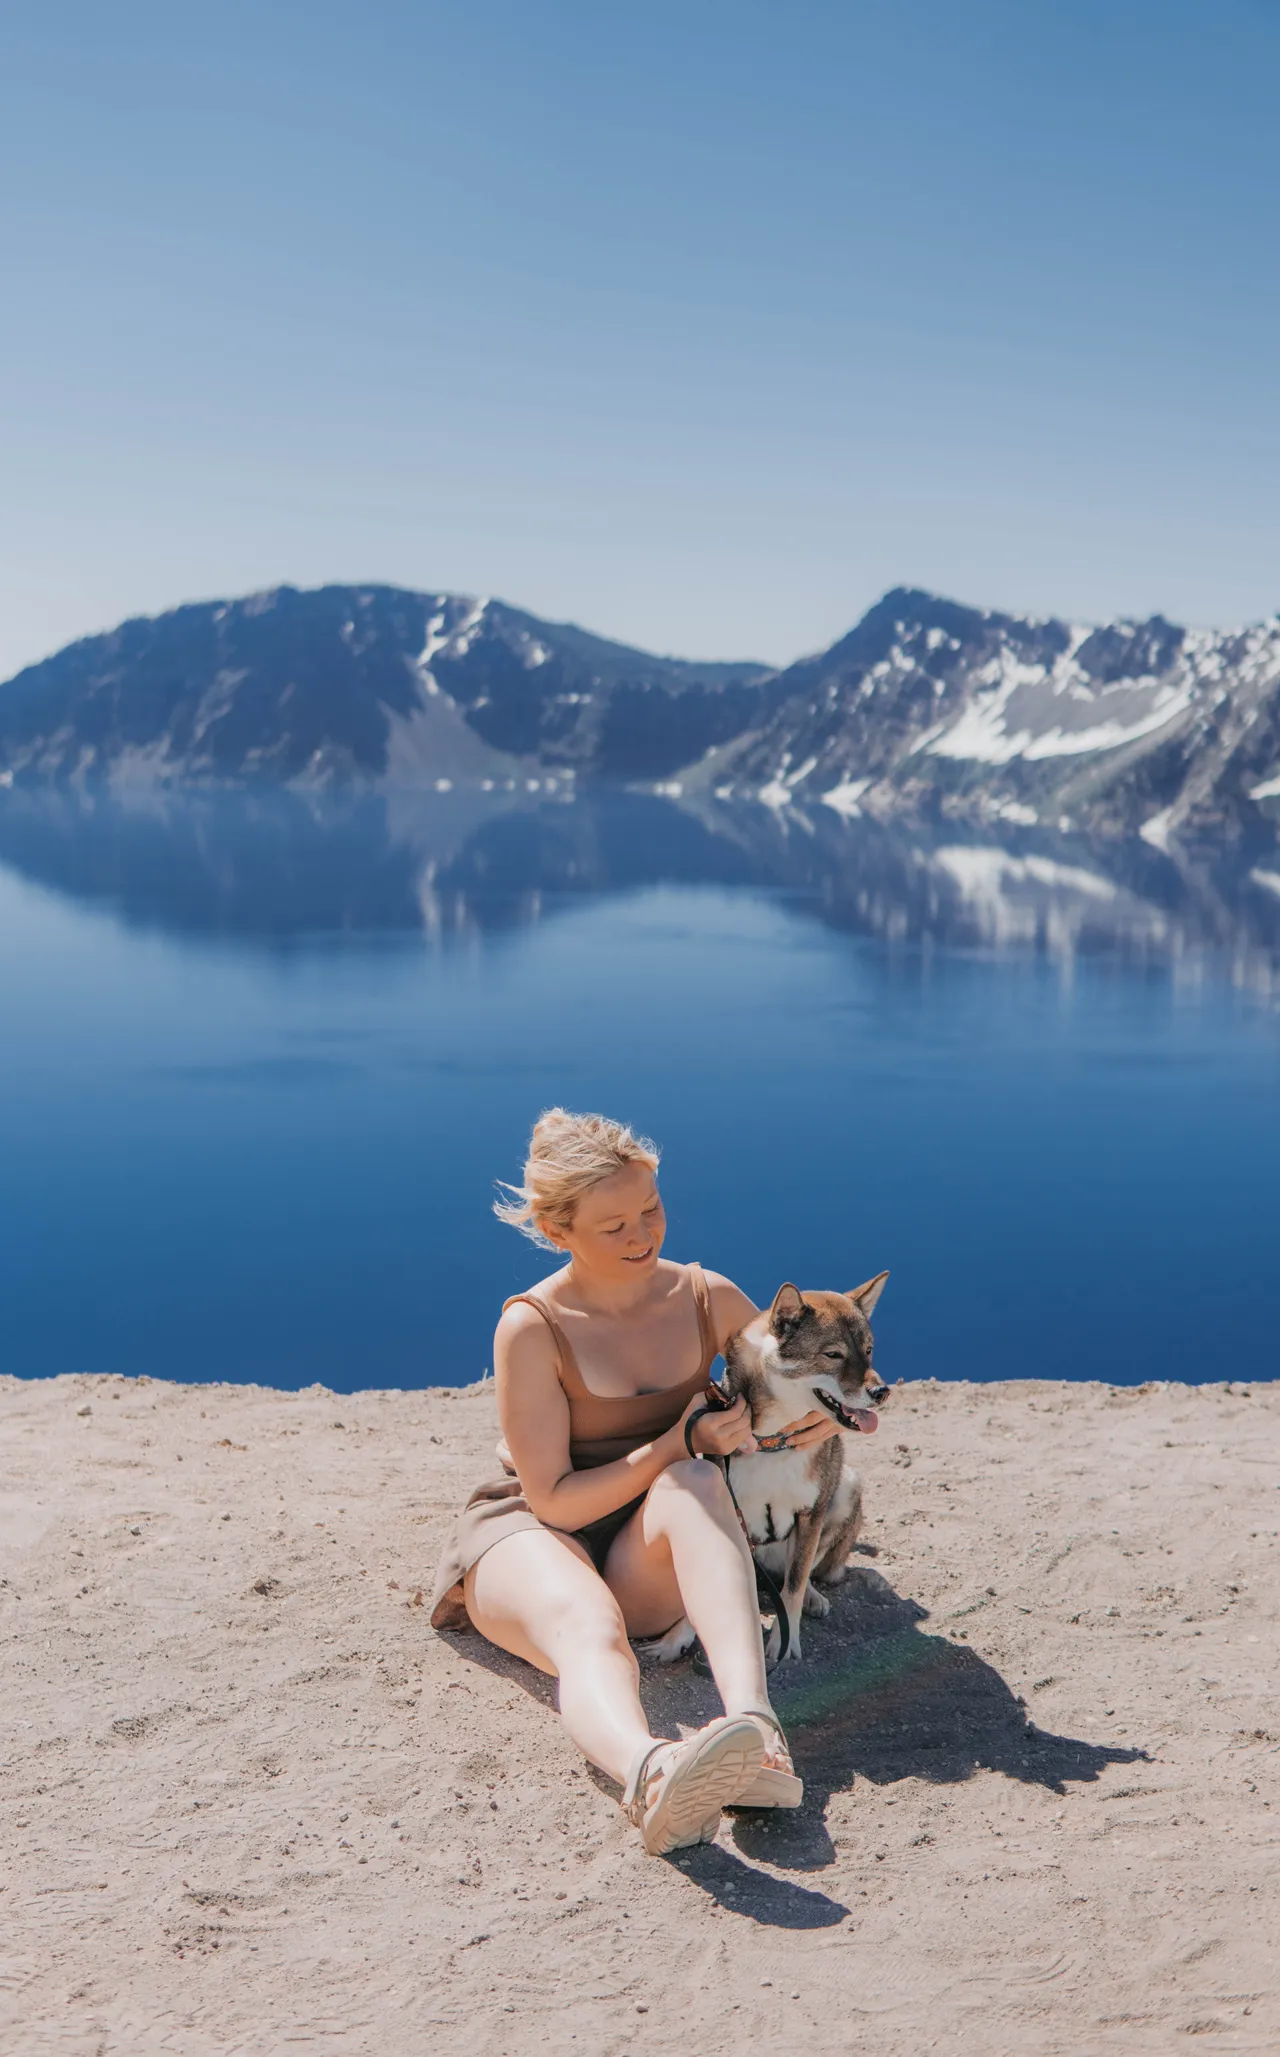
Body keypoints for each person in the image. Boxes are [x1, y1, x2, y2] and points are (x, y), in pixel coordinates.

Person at [430, 1109, 842, 1855]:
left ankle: (757, 1733)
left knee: (695, 1481)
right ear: (560, 1231)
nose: (643, 1234)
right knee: (590, 1628)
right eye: (613, 1225)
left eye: (649, 1209)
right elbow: (553, 1495)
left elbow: (790, 1384)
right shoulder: (531, 1326)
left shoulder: (703, 1294)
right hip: (532, 1529)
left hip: (640, 1545)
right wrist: (676, 1439)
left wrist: (819, 1415)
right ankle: (651, 1773)